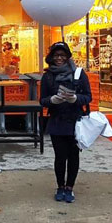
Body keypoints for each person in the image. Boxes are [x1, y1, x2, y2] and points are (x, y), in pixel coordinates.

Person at [39, 42, 91, 204]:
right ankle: (60, 186)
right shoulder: (48, 76)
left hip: (75, 120)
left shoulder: (79, 73)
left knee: (73, 155)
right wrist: (52, 100)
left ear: (68, 57)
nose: (59, 59)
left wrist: (76, 99)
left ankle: (70, 187)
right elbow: (42, 100)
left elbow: (88, 96)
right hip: (56, 120)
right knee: (60, 156)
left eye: (62, 55)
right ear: (51, 58)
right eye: (56, 56)